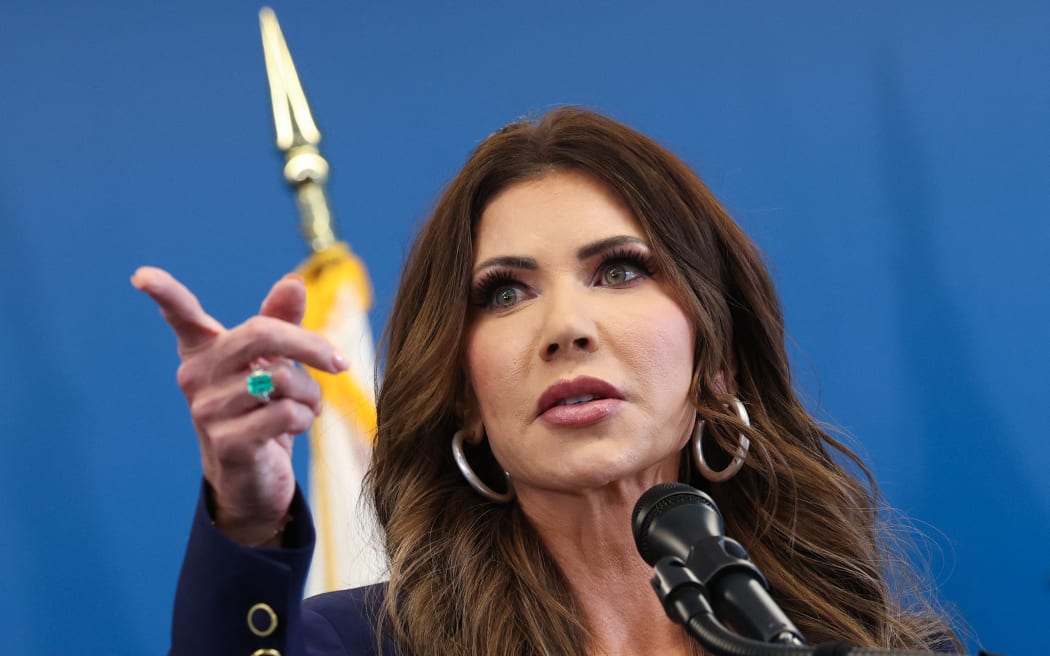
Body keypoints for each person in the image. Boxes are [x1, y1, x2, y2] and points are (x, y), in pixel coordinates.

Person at [134, 107, 958, 655]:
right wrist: (246, 509)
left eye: (620, 271)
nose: (566, 326)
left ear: (715, 357)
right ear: (463, 393)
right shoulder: (360, 644)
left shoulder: (868, 642)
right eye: (504, 292)